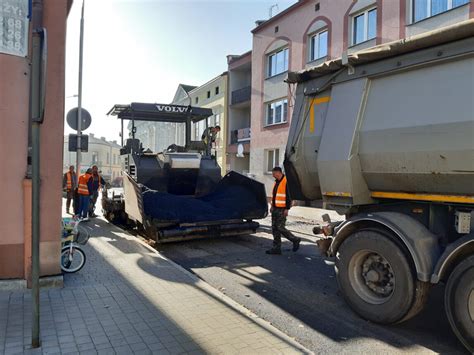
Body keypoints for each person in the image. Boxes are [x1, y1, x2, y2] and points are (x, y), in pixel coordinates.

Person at [266, 166, 301, 255]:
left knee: (280, 227)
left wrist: (287, 208)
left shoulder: (286, 182)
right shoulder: (276, 182)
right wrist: (272, 206)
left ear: (279, 172)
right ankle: (276, 248)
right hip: (275, 208)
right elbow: (274, 195)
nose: (273, 175)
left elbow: (289, 197)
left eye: (274, 174)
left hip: (282, 209)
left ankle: (295, 239)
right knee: (274, 228)